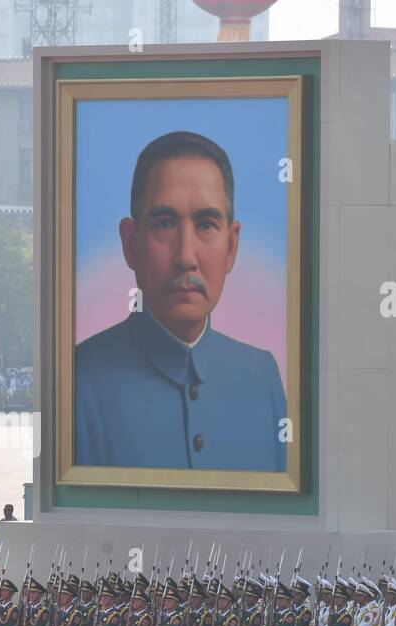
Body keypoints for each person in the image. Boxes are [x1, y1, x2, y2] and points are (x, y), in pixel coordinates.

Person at [73, 131, 286, 472]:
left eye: (206, 224)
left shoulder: (263, 378)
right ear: (131, 243)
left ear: (231, 247)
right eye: (166, 223)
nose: (186, 257)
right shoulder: (77, 380)